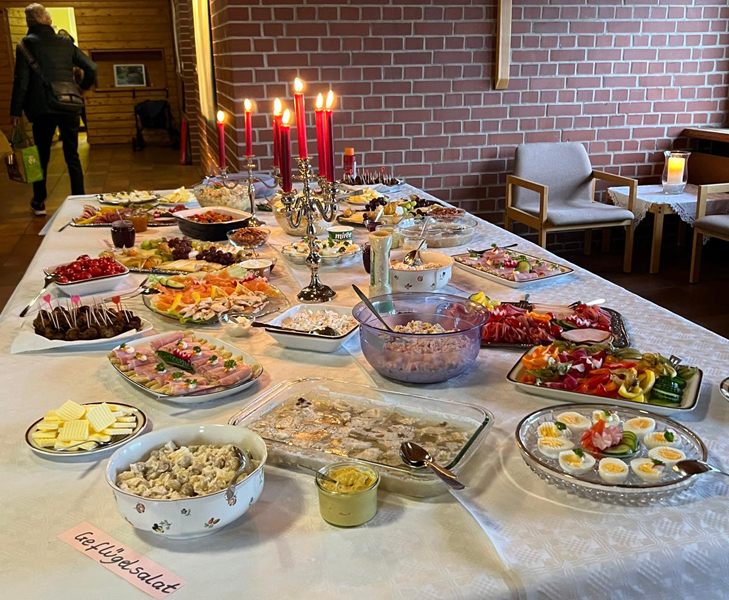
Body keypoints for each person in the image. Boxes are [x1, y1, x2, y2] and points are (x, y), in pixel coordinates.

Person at [9, 4, 96, 216]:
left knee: (41, 155)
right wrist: (82, 89)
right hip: (69, 104)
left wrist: (15, 111)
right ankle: (79, 199)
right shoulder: (65, 42)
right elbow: (91, 67)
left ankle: (39, 201)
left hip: (42, 108)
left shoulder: (25, 45)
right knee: (72, 155)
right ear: (46, 19)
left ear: (30, 21)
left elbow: (21, 81)